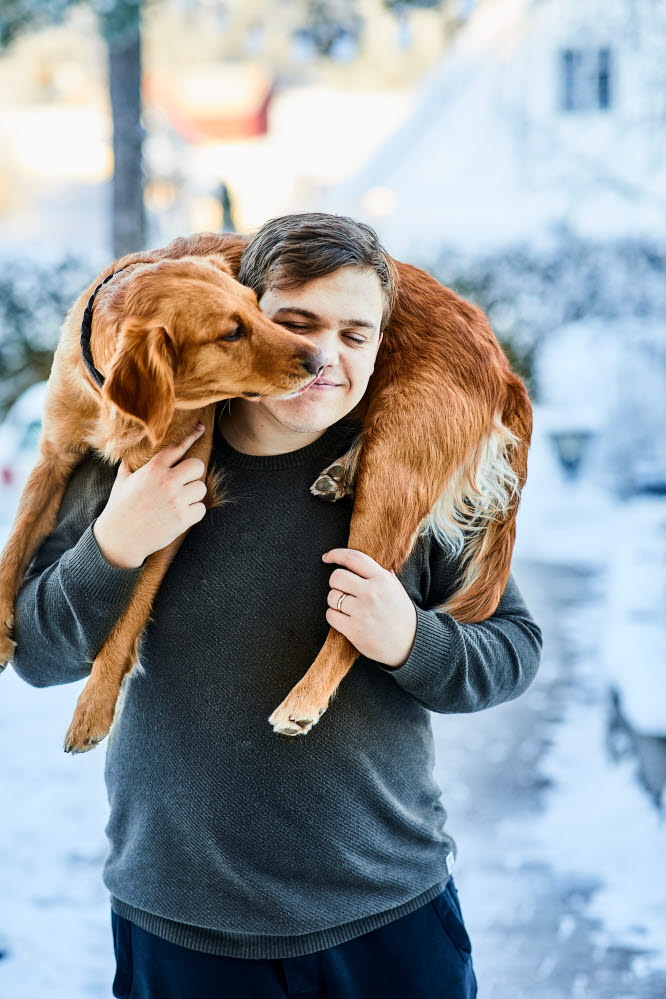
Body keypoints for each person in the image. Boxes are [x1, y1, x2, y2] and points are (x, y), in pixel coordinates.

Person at [12, 213, 543, 998]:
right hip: (180, 929)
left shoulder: (403, 473)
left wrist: (410, 639)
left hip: (388, 920)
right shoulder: (139, 458)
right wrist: (116, 543)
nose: (323, 355)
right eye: (296, 322)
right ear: (246, 309)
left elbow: (513, 649)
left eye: (357, 334)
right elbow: (34, 654)